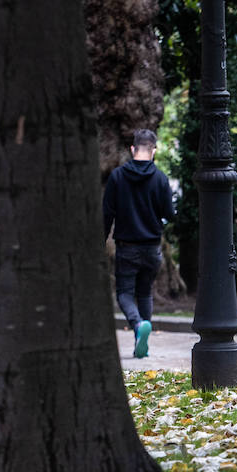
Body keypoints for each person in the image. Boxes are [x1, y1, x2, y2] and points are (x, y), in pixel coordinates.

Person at [103, 129, 175, 358]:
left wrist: (101, 239)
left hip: (127, 246)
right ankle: (142, 340)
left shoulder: (117, 177)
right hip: (152, 247)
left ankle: (137, 325)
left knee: (124, 292)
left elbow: (107, 213)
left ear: (133, 149)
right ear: (153, 150)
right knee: (145, 293)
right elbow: (169, 213)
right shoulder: (161, 179)